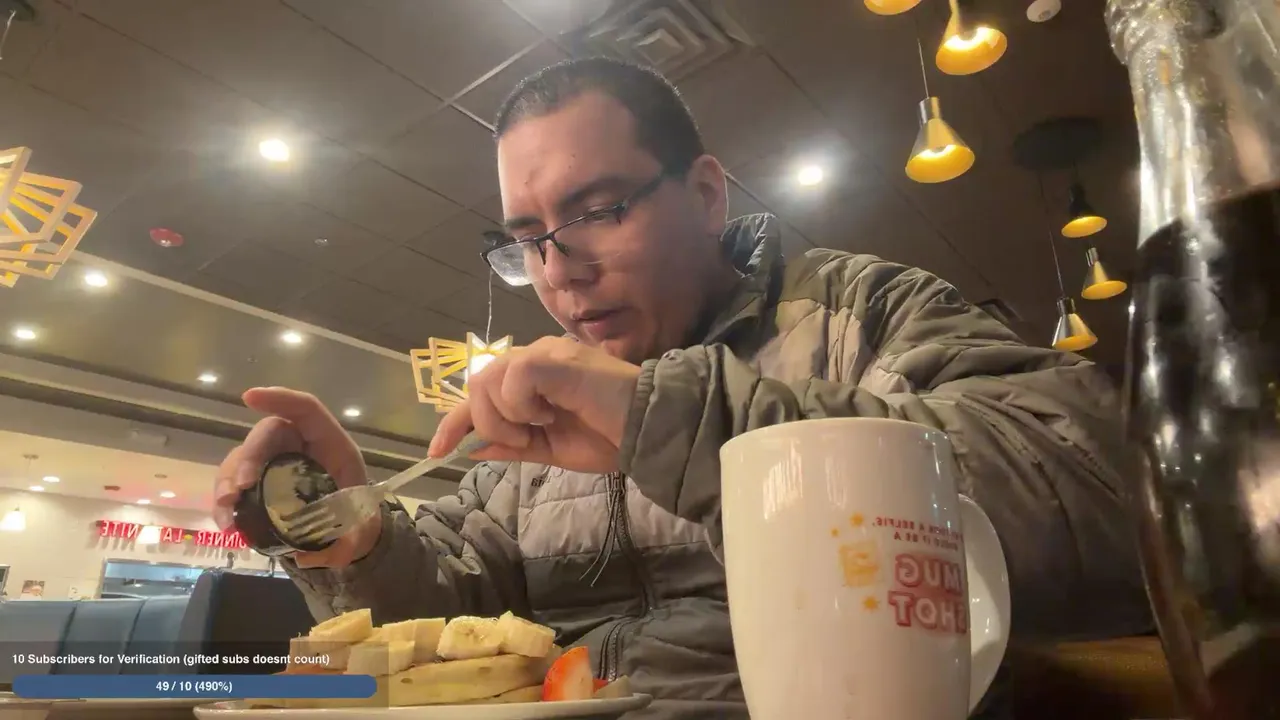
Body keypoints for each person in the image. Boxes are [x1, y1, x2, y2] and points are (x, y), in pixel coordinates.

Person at [213, 57, 1152, 718]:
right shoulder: (538, 408)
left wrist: (678, 423)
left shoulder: (857, 313)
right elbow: (449, 642)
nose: (560, 272)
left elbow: (1104, 496)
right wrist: (356, 534)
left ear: (706, 195)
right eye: (528, 240)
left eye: (596, 211)